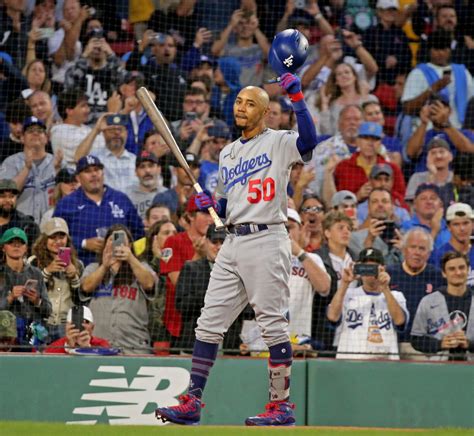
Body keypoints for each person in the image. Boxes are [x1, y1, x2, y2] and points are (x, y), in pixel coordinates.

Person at [155, 73, 318, 426]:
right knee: (208, 324)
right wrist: (208, 202)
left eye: (250, 104)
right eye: (239, 102)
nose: (241, 108)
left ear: (264, 112)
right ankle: (192, 400)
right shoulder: (228, 152)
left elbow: (309, 142)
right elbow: (226, 209)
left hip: (267, 238)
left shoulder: (279, 141)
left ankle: (281, 406)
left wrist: (297, 97)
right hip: (233, 241)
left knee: (273, 325)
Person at [53, 155, 144, 266]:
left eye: (97, 169)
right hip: (80, 270)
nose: (94, 174)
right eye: (87, 171)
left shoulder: (120, 199)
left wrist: (129, 251)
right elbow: (54, 241)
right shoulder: (66, 204)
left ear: (103, 172)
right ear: (78, 178)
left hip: (119, 270)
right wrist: (84, 244)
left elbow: (140, 235)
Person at [80, 224, 157, 354]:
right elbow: (86, 287)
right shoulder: (93, 268)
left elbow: (149, 283)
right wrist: (104, 266)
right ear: (104, 245)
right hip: (99, 345)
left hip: (134, 346)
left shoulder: (141, 267)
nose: (116, 243)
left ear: (130, 245)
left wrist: (131, 258)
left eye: (121, 239)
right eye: (111, 239)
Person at [327, 247, 408, 360]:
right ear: (358, 268)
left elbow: (400, 321)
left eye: (373, 267)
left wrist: (385, 289)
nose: (369, 271)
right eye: (365, 266)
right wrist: (345, 283)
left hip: (385, 365)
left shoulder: (396, 296)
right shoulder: (347, 294)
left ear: (383, 269)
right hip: (350, 363)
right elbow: (332, 317)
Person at [160, 195, 214, 345]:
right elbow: (178, 283)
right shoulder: (173, 242)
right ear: (190, 216)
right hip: (179, 324)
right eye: (205, 213)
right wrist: (199, 255)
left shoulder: (219, 243)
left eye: (213, 213)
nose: (210, 219)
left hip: (210, 321)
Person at [387, 228, 445, 360]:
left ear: (429, 253)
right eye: (413, 247)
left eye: (422, 248)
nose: (417, 253)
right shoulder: (389, 274)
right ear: (404, 249)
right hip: (393, 341)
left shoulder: (437, 277)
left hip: (424, 344)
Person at [411, 252, 474, 361]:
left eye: (462, 267)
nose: (458, 272)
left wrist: (469, 344)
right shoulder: (428, 301)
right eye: (452, 269)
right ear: (444, 273)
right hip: (439, 369)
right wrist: (440, 344)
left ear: (468, 270)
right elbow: (416, 340)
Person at [175, 224, 227, 352]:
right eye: (215, 242)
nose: (219, 247)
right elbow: (181, 306)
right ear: (206, 242)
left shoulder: (238, 271)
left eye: (223, 242)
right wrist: (210, 293)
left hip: (229, 346)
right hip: (193, 344)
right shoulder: (191, 268)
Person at [30, 218, 83, 342]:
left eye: (62, 237)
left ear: (67, 239)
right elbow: (31, 293)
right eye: (53, 237)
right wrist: (47, 271)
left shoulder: (78, 264)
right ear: (45, 239)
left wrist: (74, 277)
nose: (58, 241)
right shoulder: (33, 261)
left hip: (65, 326)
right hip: (40, 323)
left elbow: (80, 299)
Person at [0, 116, 61, 223]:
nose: (36, 133)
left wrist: (58, 171)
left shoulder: (57, 162)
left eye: (40, 131)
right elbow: (6, 195)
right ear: (22, 138)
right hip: (19, 227)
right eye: (30, 131)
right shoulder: (11, 162)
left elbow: (66, 196)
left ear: (46, 138)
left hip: (51, 227)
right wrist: (26, 169)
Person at [0, 228, 52, 348]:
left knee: (42, 345)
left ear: (26, 248)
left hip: (34, 331)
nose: (16, 245)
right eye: (11, 242)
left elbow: (48, 311)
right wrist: (10, 298)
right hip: (6, 334)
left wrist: (37, 301)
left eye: (20, 242)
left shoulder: (36, 273)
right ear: (3, 248)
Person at [286, 208, 330, 345]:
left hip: (297, 336)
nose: (285, 231)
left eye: (289, 227)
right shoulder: (262, 256)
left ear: (301, 230)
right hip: (264, 336)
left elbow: (324, 288)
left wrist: (299, 252)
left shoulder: (311, 259)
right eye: (279, 226)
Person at [333, 122, 406, 203]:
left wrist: (383, 193)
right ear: (358, 141)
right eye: (366, 138)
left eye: (375, 139)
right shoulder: (343, 167)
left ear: (380, 143)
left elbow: (401, 200)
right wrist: (357, 196)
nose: (370, 143)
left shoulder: (393, 169)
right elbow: (336, 200)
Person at [64, 27, 122, 123]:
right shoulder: (77, 70)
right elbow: (69, 89)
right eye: (93, 43)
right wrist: (84, 56)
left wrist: (111, 55)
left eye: (102, 42)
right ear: (86, 47)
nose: (97, 46)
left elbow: (124, 80)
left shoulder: (113, 70)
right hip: (81, 124)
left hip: (109, 122)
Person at [74, 113, 136, 193]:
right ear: (103, 133)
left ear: (126, 133)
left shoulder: (135, 160)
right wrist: (96, 129)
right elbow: (78, 158)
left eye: (120, 129)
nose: (116, 133)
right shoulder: (96, 158)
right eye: (111, 130)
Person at [140, 219, 177, 343]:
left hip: (178, 329)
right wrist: (159, 258)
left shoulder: (185, 262)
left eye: (175, 233)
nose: (172, 236)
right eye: (166, 233)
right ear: (154, 239)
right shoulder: (143, 265)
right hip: (155, 330)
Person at [211, 8, 269, 87]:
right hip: (233, 92)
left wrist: (255, 28)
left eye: (249, 23)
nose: (245, 26)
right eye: (241, 23)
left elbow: (271, 55)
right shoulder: (228, 49)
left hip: (254, 93)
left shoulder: (259, 49)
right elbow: (214, 50)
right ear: (235, 28)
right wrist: (231, 25)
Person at [51, 88, 105, 169]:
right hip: (73, 178)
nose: (88, 110)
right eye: (83, 106)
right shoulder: (59, 131)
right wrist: (96, 130)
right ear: (69, 111)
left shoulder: (88, 129)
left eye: (87, 105)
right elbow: (79, 158)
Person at [349, 188, 403, 265]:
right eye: (375, 202)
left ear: (392, 207)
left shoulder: (405, 237)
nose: (380, 205)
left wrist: (404, 252)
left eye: (385, 201)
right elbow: (359, 269)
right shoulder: (354, 238)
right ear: (368, 207)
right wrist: (369, 241)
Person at [430, 203, 474, 286]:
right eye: (456, 224)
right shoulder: (439, 256)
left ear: (472, 224)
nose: (462, 229)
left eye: (465, 223)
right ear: (449, 227)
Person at [405, 137, 455, 205]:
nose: (438, 156)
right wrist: (432, 175)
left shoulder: (455, 178)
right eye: (433, 153)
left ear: (450, 156)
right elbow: (411, 206)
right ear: (427, 158)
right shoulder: (416, 178)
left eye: (442, 152)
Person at [400, 183, 451, 248]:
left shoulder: (450, 228)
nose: (429, 202)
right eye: (423, 198)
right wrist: (434, 231)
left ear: (441, 204)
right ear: (415, 204)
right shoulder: (405, 228)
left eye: (433, 198)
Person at [44, 305, 111, 354]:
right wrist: (69, 347)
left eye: (86, 322)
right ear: (66, 327)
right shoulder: (56, 346)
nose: (81, 325)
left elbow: (107, 362)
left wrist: (87, 348)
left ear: (92, 327)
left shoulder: (101, 344)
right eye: (74, 322)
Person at [125, 151, 167, 222]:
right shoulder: (127, 195)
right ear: (136, 172)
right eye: (142, 167)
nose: (147, 170)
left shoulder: (167, 194)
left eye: (151, 165)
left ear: (159, 169)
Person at [0, 179, 39, 253]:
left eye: (11, 196)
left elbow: (34, 255)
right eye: (2, 196)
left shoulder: (27, 225)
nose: (8, 200)